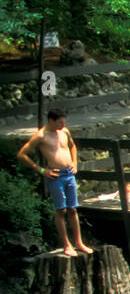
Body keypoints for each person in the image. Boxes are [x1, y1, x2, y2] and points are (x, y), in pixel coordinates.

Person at [17, 108, 91, 257]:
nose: (63, 124)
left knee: (73, 209)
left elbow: (72, 146)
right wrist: (41, 170)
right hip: (55, 175)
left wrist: (75, 163)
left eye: (64, 121)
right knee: (61, 210)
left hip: (69, 174)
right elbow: (22, 155)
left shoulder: (64, 132)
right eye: (60, 121)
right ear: (51, 120)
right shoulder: (40, 136)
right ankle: (66, 244)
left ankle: (78, 242)